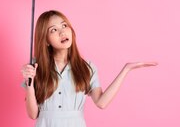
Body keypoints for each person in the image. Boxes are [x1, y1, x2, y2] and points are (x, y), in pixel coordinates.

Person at [21, 10, 158, 127]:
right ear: (45, 40)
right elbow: (33, 114)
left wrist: (126, 69)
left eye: (64, 25)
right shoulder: (35, 67)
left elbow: (101, 102)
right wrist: (30, 84)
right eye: (54, 30)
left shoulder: (87, 67)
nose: (62, 32)